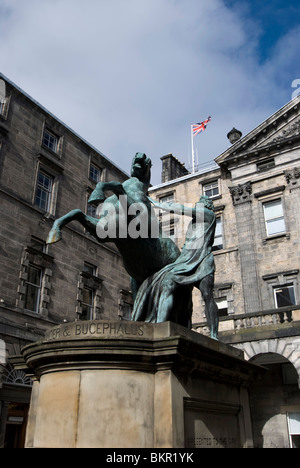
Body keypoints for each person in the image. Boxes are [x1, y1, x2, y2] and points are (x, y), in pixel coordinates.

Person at [131, 195, 219, 339]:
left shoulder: (208, 215)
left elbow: (182, 209)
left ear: (206, 205)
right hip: (186, 261)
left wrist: (158, 205)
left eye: (200, 203)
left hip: (203, 261)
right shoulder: (195, 223)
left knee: (207, 295)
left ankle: (214, 334)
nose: (197, 206)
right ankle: (159, 327)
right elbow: (188, 245)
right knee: (166, 281)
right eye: (197, 203)